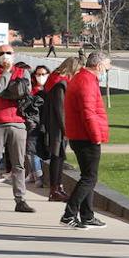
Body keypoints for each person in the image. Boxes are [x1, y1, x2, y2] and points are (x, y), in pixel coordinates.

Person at [0, 44, 34, 213]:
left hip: (17, 122)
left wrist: (4, 92)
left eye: (8, 53)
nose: (5, 55)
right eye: (2, 53)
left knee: (19, 164)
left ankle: (20, 200)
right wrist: (7, 73)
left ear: (14, 54)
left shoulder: (23, 72)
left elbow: (25, 92)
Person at [61, 51, 111, 229]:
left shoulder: (83, 79)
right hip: (85, 136)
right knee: (89, 177)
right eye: (107, 66)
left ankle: (87, 215)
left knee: (89, 176)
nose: (108, 69)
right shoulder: (86, 82)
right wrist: (96, 136)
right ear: (98, 66)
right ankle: (69, 213)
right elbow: (88, 113)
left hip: (80, 135)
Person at [44, 57, 78, 202]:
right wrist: (66, 129)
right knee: (57, 157)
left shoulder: (55, 80)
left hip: (55, 124)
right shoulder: (60, 84)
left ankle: (58, 187)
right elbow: (61, 109)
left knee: (58, 157)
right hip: (57, 126)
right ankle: (55, 189)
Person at [23, 64, 51, 188]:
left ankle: (35, 174)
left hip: (46, 124)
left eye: (43, 74)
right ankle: (36, 175)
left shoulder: (50, 90)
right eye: (38, 74)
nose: (41, 76)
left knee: (40, 149)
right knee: (31, 150)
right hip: (33, 123)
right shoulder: (31, 90)